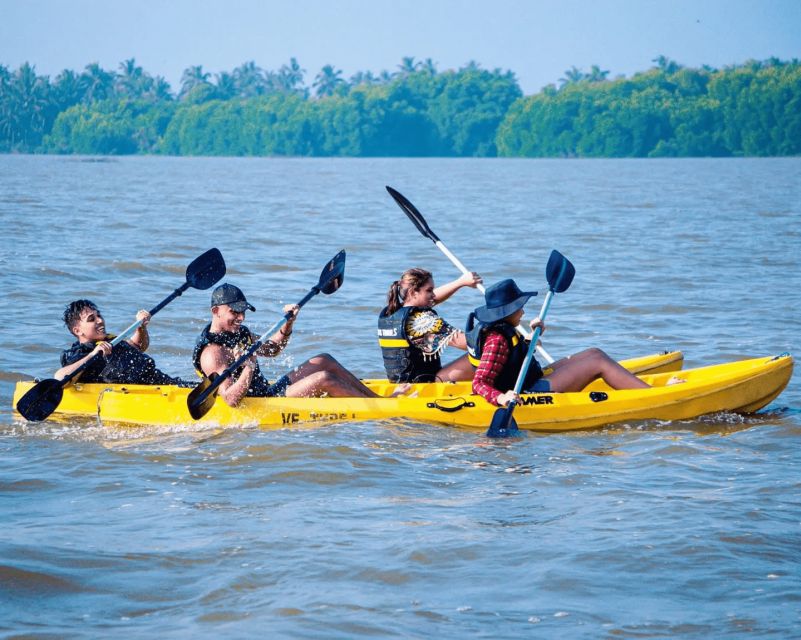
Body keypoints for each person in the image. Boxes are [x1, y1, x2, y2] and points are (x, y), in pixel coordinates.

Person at [194, 283, 395, 407]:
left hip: (267, 392)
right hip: (262, 403)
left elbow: (273, 350)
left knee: (323, 360)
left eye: (243, 312)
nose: (241, 317)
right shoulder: (212, 354)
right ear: (215, 311)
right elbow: (230, 401)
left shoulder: (238, 333)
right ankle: (382, 410)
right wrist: (249, 368)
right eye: (235, 312)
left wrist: (289, 324)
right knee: (324, 378)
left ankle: (378, 400)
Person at [466, 279, 658, 407]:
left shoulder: (504, 330)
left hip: (530, 378)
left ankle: (644, 390)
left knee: (595, 353)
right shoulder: (496, 340)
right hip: (525, 392)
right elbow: (479, 383)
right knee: (597, 364)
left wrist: (531, 337)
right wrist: (502, 398)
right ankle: (653, 397)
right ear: (506, 312)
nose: (523, 312)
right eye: (519, 308)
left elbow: (512, 359)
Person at [378, 268, 483, 383]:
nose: (433, 295)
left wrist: (460, 282)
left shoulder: (391, 312)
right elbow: (472, 345)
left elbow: (430, 299)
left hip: (401, 383)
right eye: (429, 290)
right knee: (487, 352)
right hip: (425, 385)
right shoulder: (422, 322)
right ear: (413, 292)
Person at [56, 299, 183, 385]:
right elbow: (60, 378)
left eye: (99, 315)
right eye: (91, 319)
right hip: (143, 394)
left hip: (163, 383)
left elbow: (139, 346)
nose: (100, 320)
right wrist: (93, 355)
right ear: (77, 331)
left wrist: (141, 327)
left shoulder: (111, 341)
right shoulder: (81, 353)